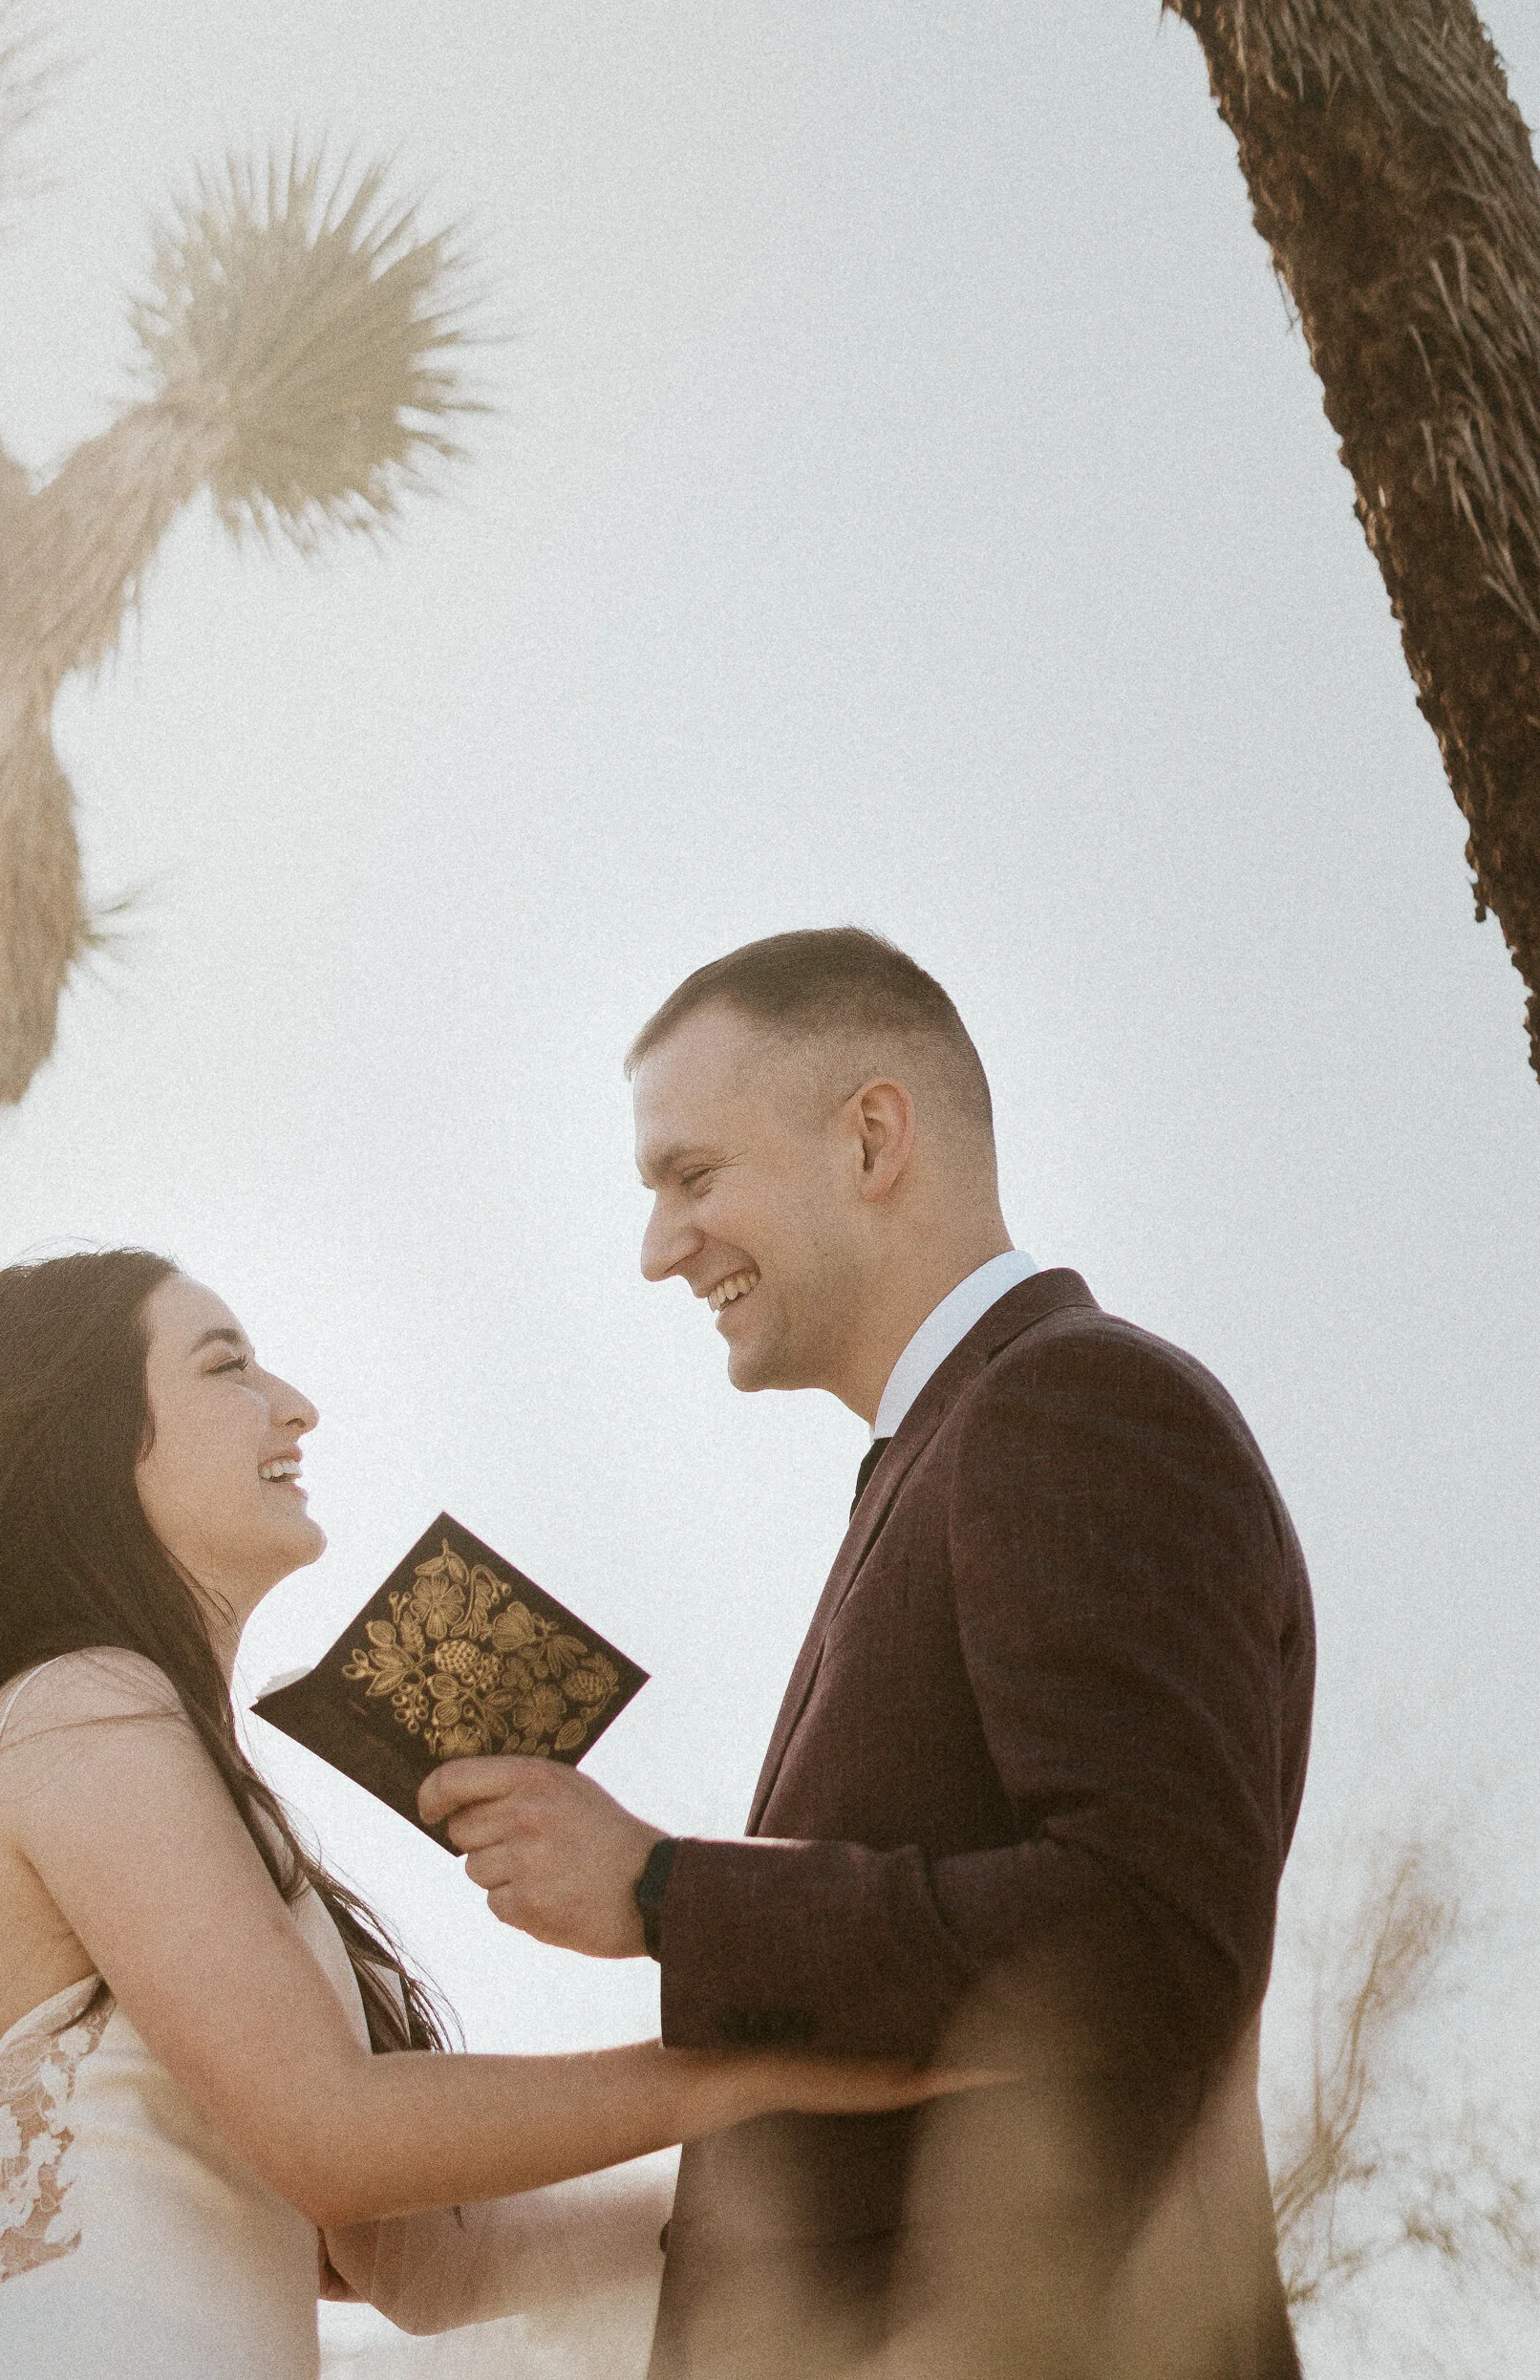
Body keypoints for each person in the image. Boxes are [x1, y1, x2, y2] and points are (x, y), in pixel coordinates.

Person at [0, 1246, 968, 2380]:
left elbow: (427, 2264)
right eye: (227, 1365)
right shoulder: (77, 1703)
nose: (294, 1404)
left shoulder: (169, 1768)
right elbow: (331, 2130)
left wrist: (808, 2174)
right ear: (91, 1438)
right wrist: (753, 2062)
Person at [419, 928, 1315, 2378]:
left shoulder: (1076, 1403)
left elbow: (1152, 1936)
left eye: (692, 1177)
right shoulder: (950, 1452)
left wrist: (662, 1892)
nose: (658, 1250)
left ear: (873, 1138)